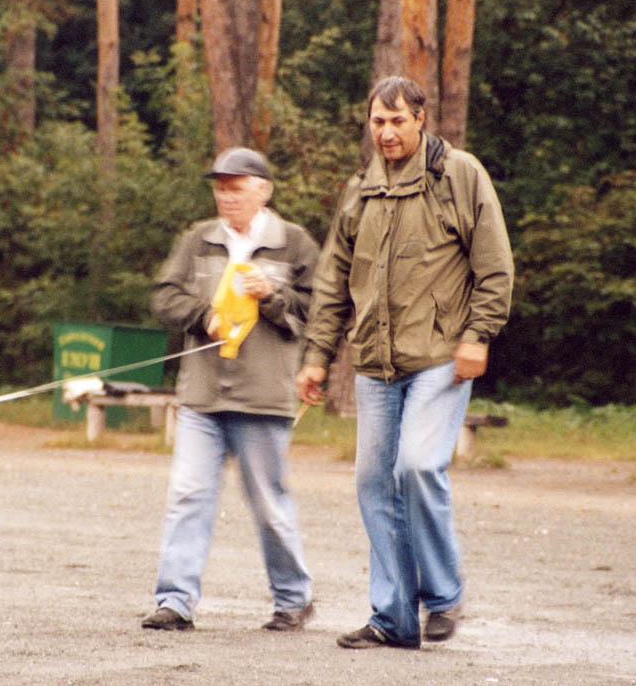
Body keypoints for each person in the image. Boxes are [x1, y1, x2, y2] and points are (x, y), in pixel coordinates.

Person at [296, 76, 514, 649]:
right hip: (374, 362)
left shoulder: (459, 175)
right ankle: (393, 618)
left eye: (397, 121)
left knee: (416, 466)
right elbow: (332, 283)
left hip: (442, 356)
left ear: (421, 119)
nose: (387, 132)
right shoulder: (360, 190)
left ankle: (442, 595)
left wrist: (478, 335)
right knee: (374, 483)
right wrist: (318, 356)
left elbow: (495, 267)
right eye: (378, 122)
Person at [141, 147, 320, 632]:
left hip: (263, 397)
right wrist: (203, 317)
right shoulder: (197, 239)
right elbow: (164, 295)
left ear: (263, 191)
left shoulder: (294, 243)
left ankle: (293, 600)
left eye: (236, 188)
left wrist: (272, 297)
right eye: (220, 188)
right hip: (202, 395)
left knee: (269, 505)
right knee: (188, 496)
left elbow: (320, 308)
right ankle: (175, 602)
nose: (226, 197)